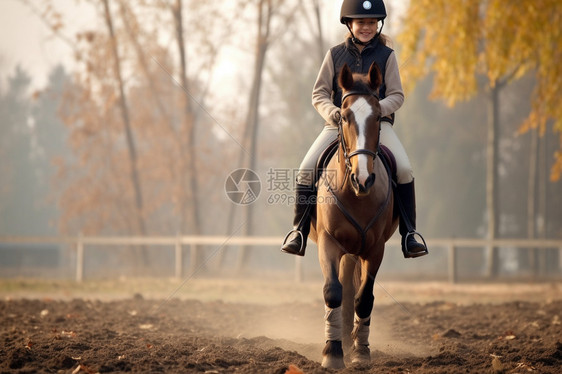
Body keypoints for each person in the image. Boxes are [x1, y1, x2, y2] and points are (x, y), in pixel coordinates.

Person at [281, 0, 428, 259]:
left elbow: (397, 94)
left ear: (378, 24)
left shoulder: (387, 57)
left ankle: (409, 234)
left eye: (371, 23)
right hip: (340, 125)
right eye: (361, 22)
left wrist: (374, 111)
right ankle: (299, 231)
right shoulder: (334, 55)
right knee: (306, 169)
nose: (367, 27)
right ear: (350, 24)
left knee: (404, 169)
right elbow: (319, 93)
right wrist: (335, 113)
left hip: (377, 125)